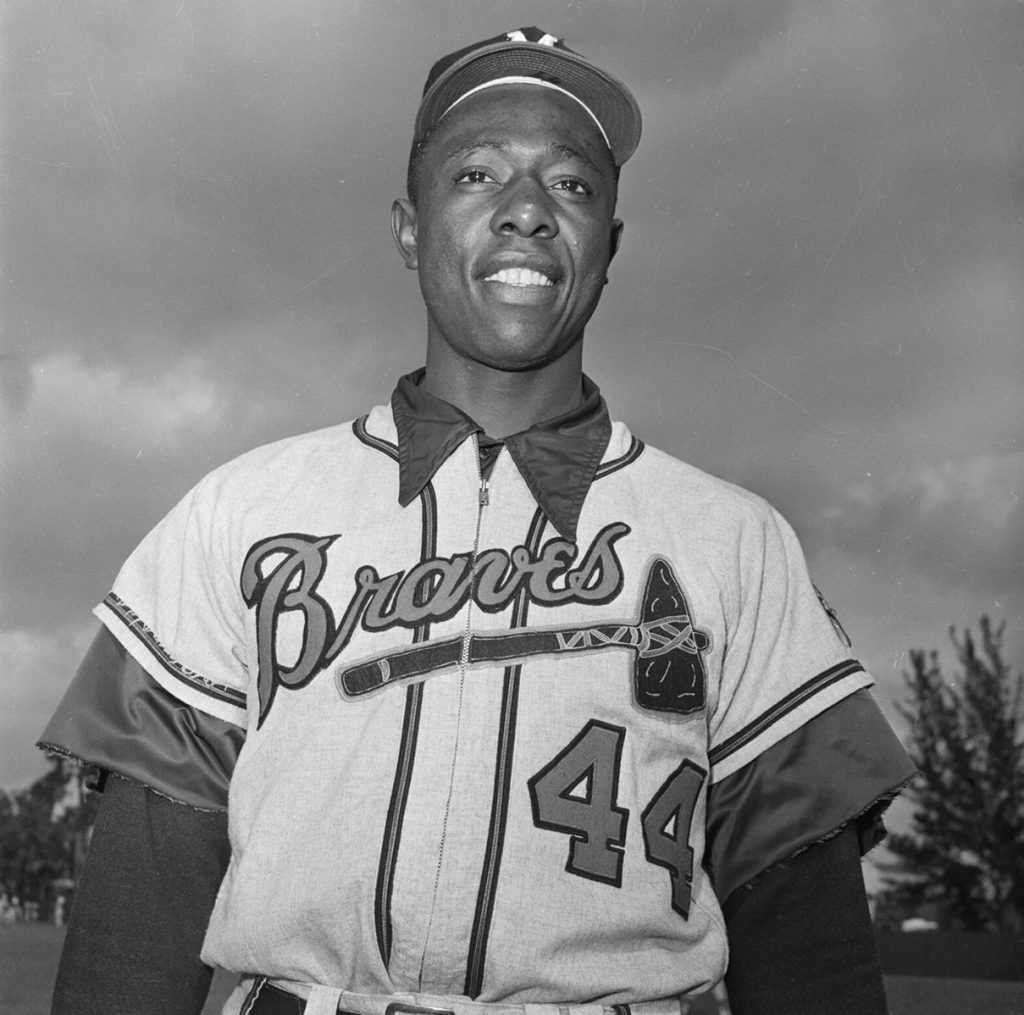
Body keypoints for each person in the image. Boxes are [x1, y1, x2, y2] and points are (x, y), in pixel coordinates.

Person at [39, 27, 915, 1015]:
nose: (528, 211)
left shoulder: (734, 543)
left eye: (573, 186)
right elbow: (137, 920)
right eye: (477, 172)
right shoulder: (241, 516)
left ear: (609, 246)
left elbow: (810, 949)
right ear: (410, 227)